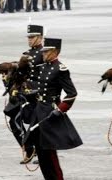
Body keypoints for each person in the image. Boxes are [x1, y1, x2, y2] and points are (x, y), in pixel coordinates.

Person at [25, 37, 82, 179]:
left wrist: (60, 109)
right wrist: (28, 94)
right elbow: (42, 89)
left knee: (49, 153)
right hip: (39, 111)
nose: (43, 54)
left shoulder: (60, 69)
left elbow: (72, 94)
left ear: (55, 52)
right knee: (41, 151)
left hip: (50, 113)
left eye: (46, 52)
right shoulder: (43, 67)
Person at [3, 24, 44, 164]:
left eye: (32, 37)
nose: (30, 39)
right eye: (29, 37)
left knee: (37, 124)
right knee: (14, 121)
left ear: (40, 37)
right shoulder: (26, 54)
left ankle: (40, 151)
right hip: (24, 93)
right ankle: (29, 148)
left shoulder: (44, 54)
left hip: (37, 93)